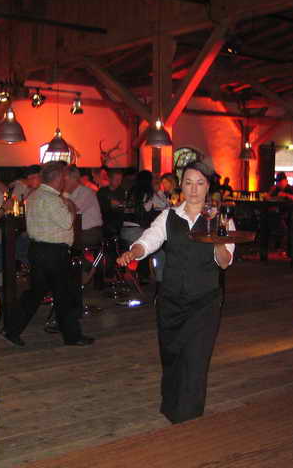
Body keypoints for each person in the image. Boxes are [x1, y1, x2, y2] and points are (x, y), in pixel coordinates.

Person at [117, 161, 235, 424]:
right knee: (171, 357)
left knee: (196, 361)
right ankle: (171, 407)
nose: (194, 189)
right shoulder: (168, 217)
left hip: (204, 302)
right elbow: (149, 240)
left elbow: (225, 262)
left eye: (200, 183)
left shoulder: (221, 219)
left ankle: (188, 420)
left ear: (208, 187)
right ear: (181, 185)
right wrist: (133, 252)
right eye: (189, 182)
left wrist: (218, 240)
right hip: (170, 301)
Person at [2, 161, 94, 347]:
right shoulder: (52, 199)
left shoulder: (34, 195)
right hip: (54, 252)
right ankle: (72, 336)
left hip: (37, 250)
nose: (65, 181)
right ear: (57, 179)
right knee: (64, 293)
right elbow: (67, 222)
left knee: (35, 293)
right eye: (63, 178)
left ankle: (11, 329)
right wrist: (71, 206)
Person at [65, 165, 103, 248]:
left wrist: (63, 195)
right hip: (78, 231)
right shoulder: (68, 194)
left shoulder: (86, 192)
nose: (62, 182)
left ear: (74, 179)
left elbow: (73, 210)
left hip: (90, 232)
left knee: (62, 242)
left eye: (65, 179)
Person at [97, 169, 126, 238]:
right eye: (116, 179)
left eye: (120, 179)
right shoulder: (102, 191)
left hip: (119, 223)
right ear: (110, 179)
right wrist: (109, 204)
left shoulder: (122, 191)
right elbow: (99, 206)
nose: (119, 182)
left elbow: (124, 205)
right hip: (104, 223)